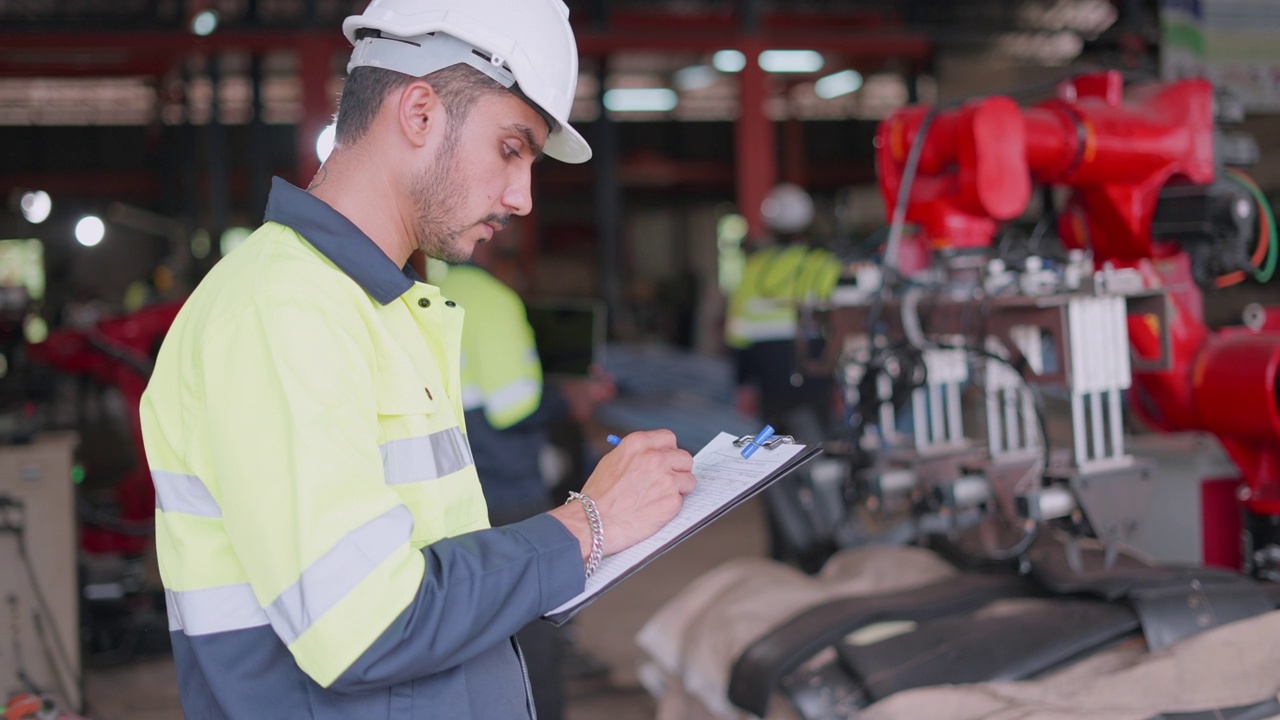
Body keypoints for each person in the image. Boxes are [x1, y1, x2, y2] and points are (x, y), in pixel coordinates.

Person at [138, 1, 697, 718]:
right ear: (420, 112)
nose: (522, 197)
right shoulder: (282, 309)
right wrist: (588, 524)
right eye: (510, 147)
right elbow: (368, 624)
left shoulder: (377, 305)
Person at [431, 238, 614, 719]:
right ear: (492, 252)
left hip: (458, 479)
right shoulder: (492, 299)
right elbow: (513, 406)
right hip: (509, 482)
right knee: (533, 621)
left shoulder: (429, 290)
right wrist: (569, 400)